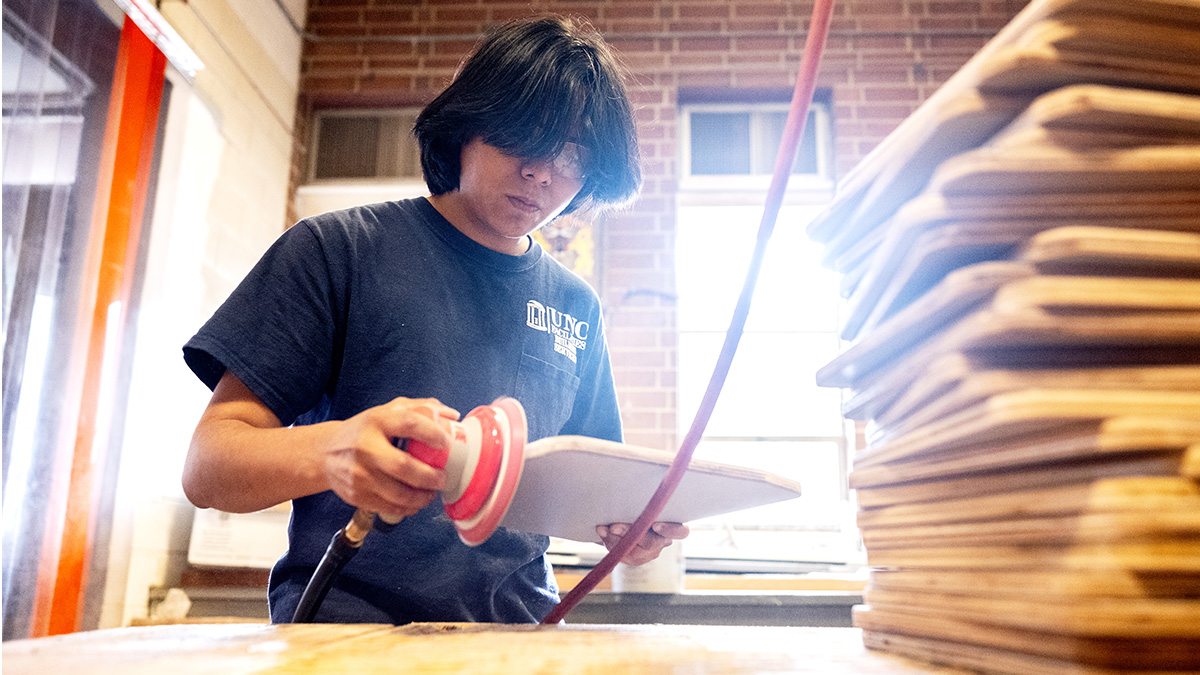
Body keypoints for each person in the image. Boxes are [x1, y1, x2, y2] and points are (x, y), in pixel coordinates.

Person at [181, 15, 688, 625]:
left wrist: (633, 529)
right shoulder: (339, 250)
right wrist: (331, 450)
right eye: (526, 136)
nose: (543, 173)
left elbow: (594, 496)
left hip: (520, 642)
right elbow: (209, 468)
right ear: (469, 124)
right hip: (346, 640)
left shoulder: (575, 305)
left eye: (573, 155)